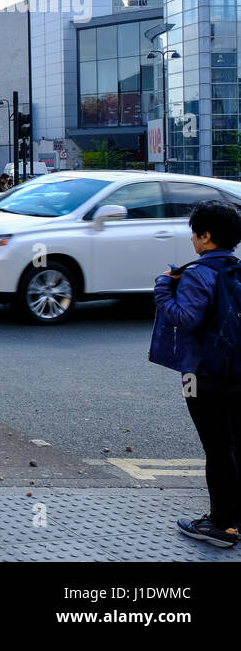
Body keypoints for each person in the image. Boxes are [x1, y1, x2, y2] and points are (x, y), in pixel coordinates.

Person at [150, 200, 241, 547]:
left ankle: (221, 525)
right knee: (235, 443)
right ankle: (236, 517)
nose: (192, 240)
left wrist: (162, 287)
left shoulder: (198, 273)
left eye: (194, 233)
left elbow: (185, 318)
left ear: (207, 236)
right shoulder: (236, 270)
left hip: (200, 374)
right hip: (238, 371)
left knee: (216, 448)